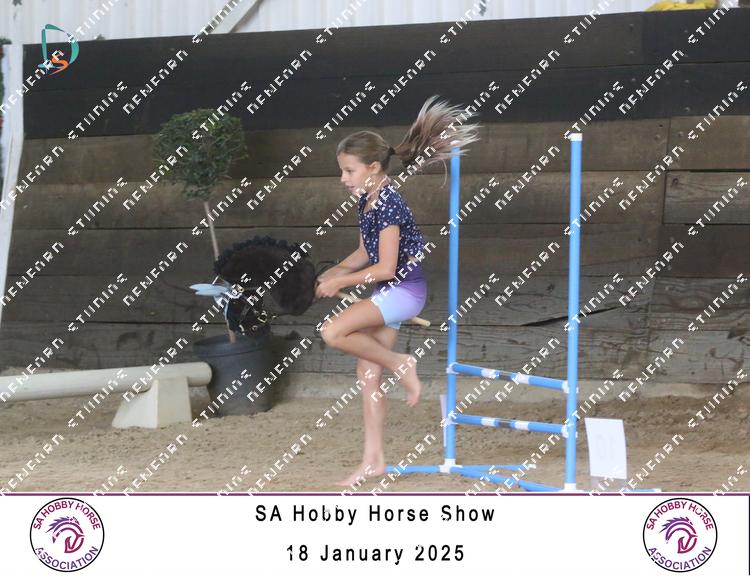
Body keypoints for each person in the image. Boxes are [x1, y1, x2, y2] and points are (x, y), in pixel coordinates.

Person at [314, 94, 480, 486]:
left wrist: (340, 282)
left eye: (349, 171)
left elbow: (386, 267)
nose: (343, 179)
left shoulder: (388, 203)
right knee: (366, 374)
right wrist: (331, 273)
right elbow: (363, 253)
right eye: (342, 171)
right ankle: (374, 460)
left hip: (403, 292)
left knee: (332, 332)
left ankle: (402, 363)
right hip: (388, 294)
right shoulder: (367, 201)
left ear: (373, 168)